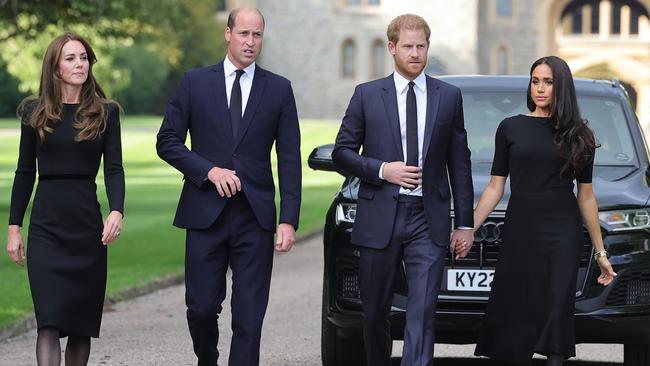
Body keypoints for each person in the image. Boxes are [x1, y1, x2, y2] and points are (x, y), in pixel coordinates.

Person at [156, 7, 301, 366]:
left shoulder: (279, 89)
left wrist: (289, 219)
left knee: (249, 317)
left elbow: (289, 158)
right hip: (205, 213)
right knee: (202, 309)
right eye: (244, 34)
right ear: (228, 34)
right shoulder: (195, 82)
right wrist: (208, 171)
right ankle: (208, 358)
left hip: (255, 217)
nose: (251, 42)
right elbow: (167, 141)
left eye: (257, 35)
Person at [332, 14, 474, 366]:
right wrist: (383, 170)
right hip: (381, 214)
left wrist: (466, 223)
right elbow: (342, 153)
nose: (415, 53)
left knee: (422, 311)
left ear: (428, 47)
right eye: (408, 46)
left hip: (429, 219)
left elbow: (460, 164)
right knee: (374, 312)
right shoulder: (366, 95)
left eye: (421, 46)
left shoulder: (448, 96)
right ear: (392, 47)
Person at [469, 56, 617, 365]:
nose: (540, 88)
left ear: (561, 87)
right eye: (535, 81)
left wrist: (601, 254)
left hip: (562, 233)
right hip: (521, 229)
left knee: (557, 307)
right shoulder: (510, 128)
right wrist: (468, 228)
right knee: (516, 306)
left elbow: (586, 197)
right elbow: (495, 187)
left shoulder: (580, 136)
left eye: (548, 82)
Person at [5, 33, 124, 366]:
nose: (80, 64)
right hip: (46, 226)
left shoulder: (106, 113)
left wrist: (117, 210)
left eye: (84, 57)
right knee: (49, 320)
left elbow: (114, 168)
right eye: (71, 58)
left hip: (86, 227)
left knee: (80, 325)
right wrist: (14, 227)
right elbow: (24, 172)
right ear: (55, 67)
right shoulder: (34, 112)